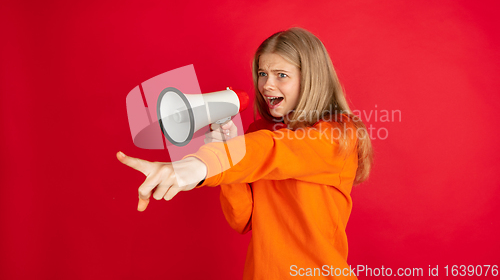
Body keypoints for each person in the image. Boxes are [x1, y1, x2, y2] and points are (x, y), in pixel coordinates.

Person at [117, 27, 373, 279]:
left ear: (311, 79)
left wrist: (198, 164)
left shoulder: (338, 134)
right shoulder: (258, 133)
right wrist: (223, 156)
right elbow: (243, 220)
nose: (266, 85)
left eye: (281, 75)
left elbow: (274, 149)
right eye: (263, 73)